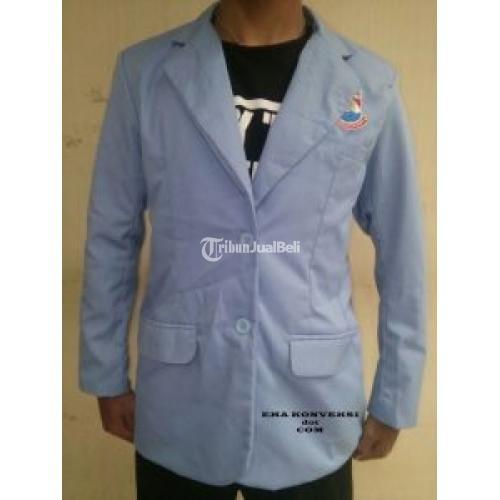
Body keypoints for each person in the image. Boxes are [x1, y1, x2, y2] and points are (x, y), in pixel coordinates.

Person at [79, 1, 427, 499]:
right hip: (182, 402)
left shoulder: (369, 84)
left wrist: (395, 395)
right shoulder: (146, 73)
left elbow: (402, 250)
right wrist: (105, 373)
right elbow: (112, 233)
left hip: (311, 409)